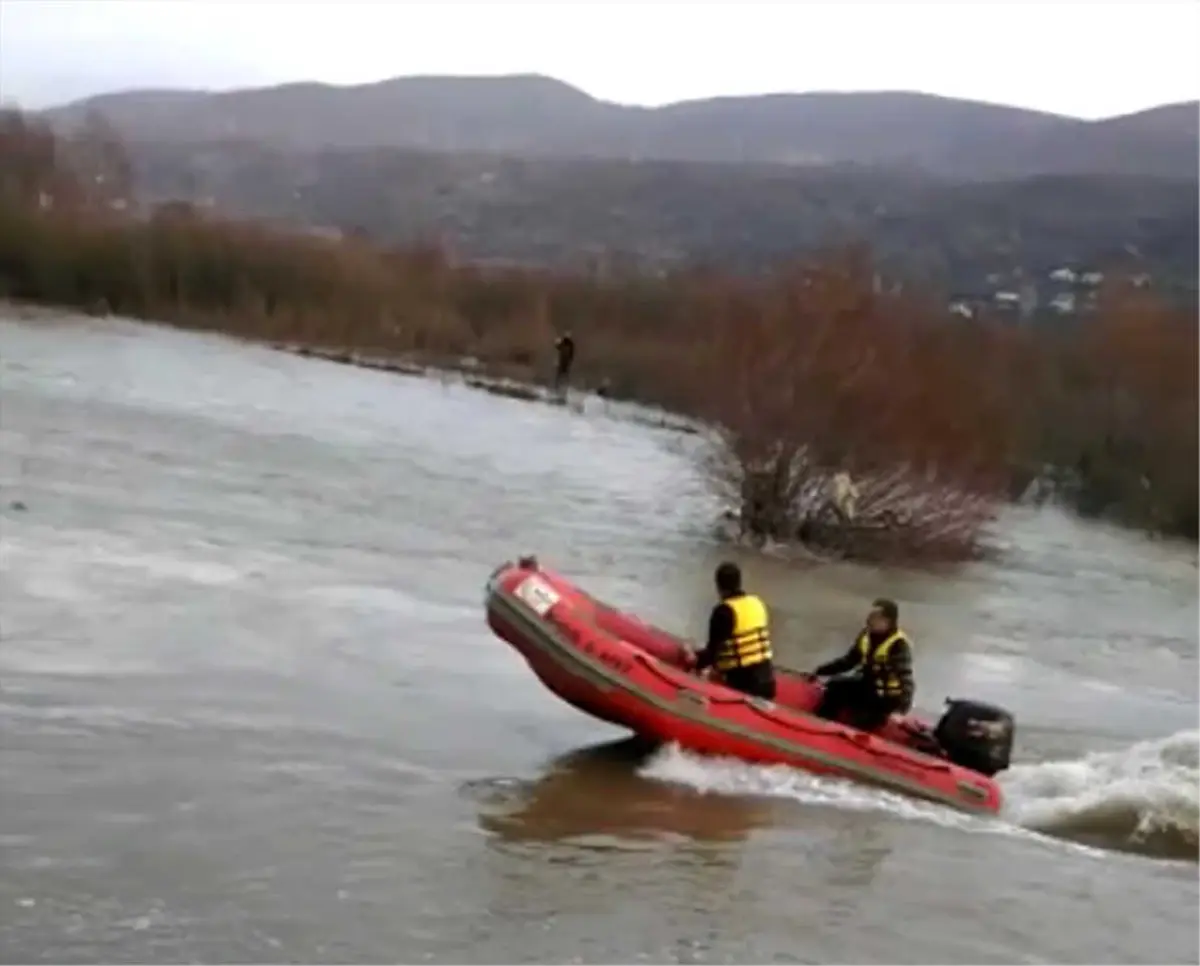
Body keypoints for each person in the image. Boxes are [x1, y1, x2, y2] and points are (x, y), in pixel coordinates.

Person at [811, 598, 913, 730]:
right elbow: (849, 661)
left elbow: (905, 679)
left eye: (874, 617)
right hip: (868, 687)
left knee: (862, 720)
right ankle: (820, 724)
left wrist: (902, 709)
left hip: (887, 698)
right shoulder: (866, 635)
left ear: (887, 621)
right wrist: (820, 670)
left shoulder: (898, 645)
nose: (869, 620)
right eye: (870, 616)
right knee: (835, 686)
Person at [690, 562, 777, 701]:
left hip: (744, 687)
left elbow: (712, 653)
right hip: (769, 684)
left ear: (718, 586)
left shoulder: (723, 611)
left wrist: (694, 662)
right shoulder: (757, 603)